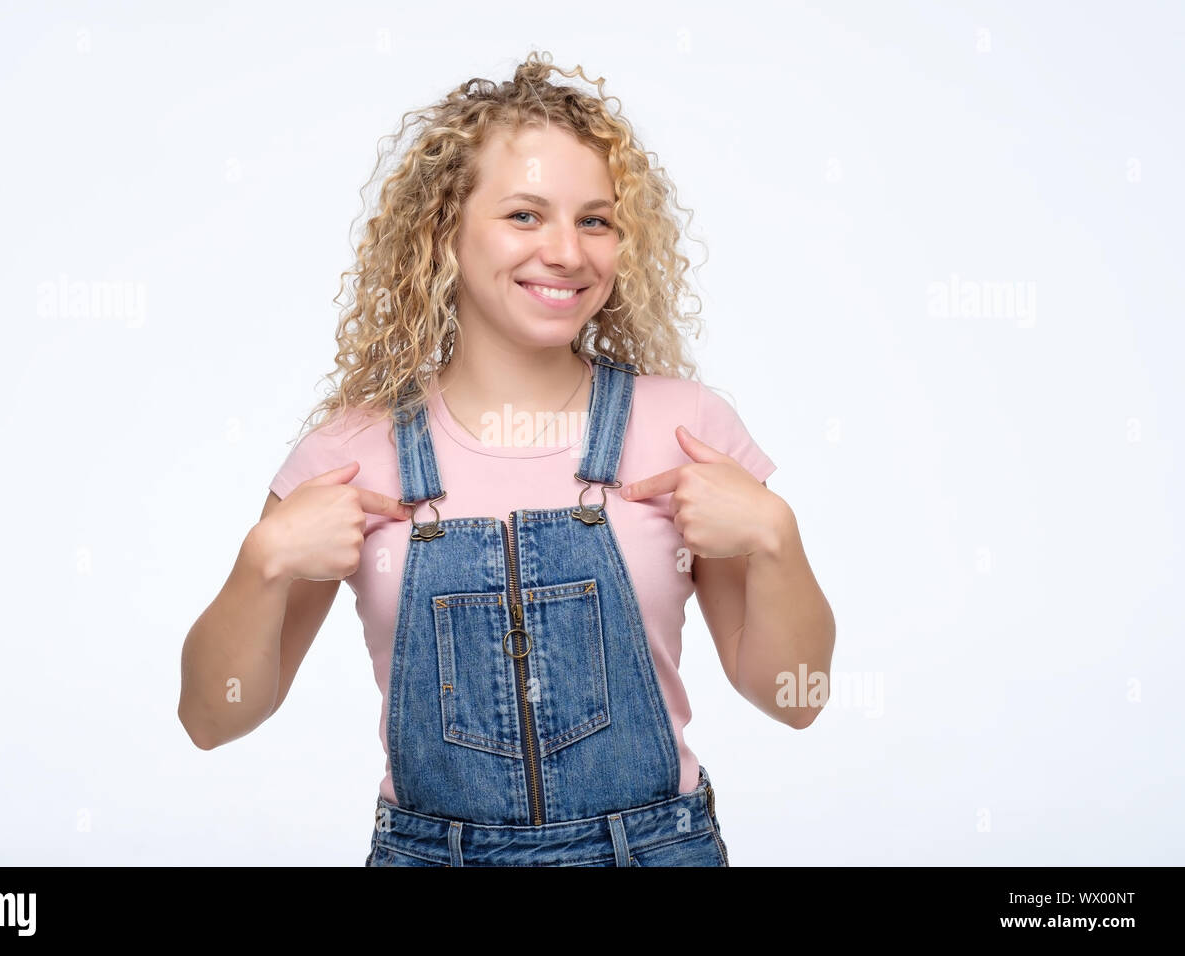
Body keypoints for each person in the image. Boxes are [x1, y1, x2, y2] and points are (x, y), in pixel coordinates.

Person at [178, 51, 836, 867]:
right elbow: (211, 719)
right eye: (525, 215)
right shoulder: (350, 454)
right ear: (443, 231)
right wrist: (265, 561)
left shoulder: (687, 427)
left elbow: (793, 700)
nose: (566, 251)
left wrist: (777, 535)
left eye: (595, 220)